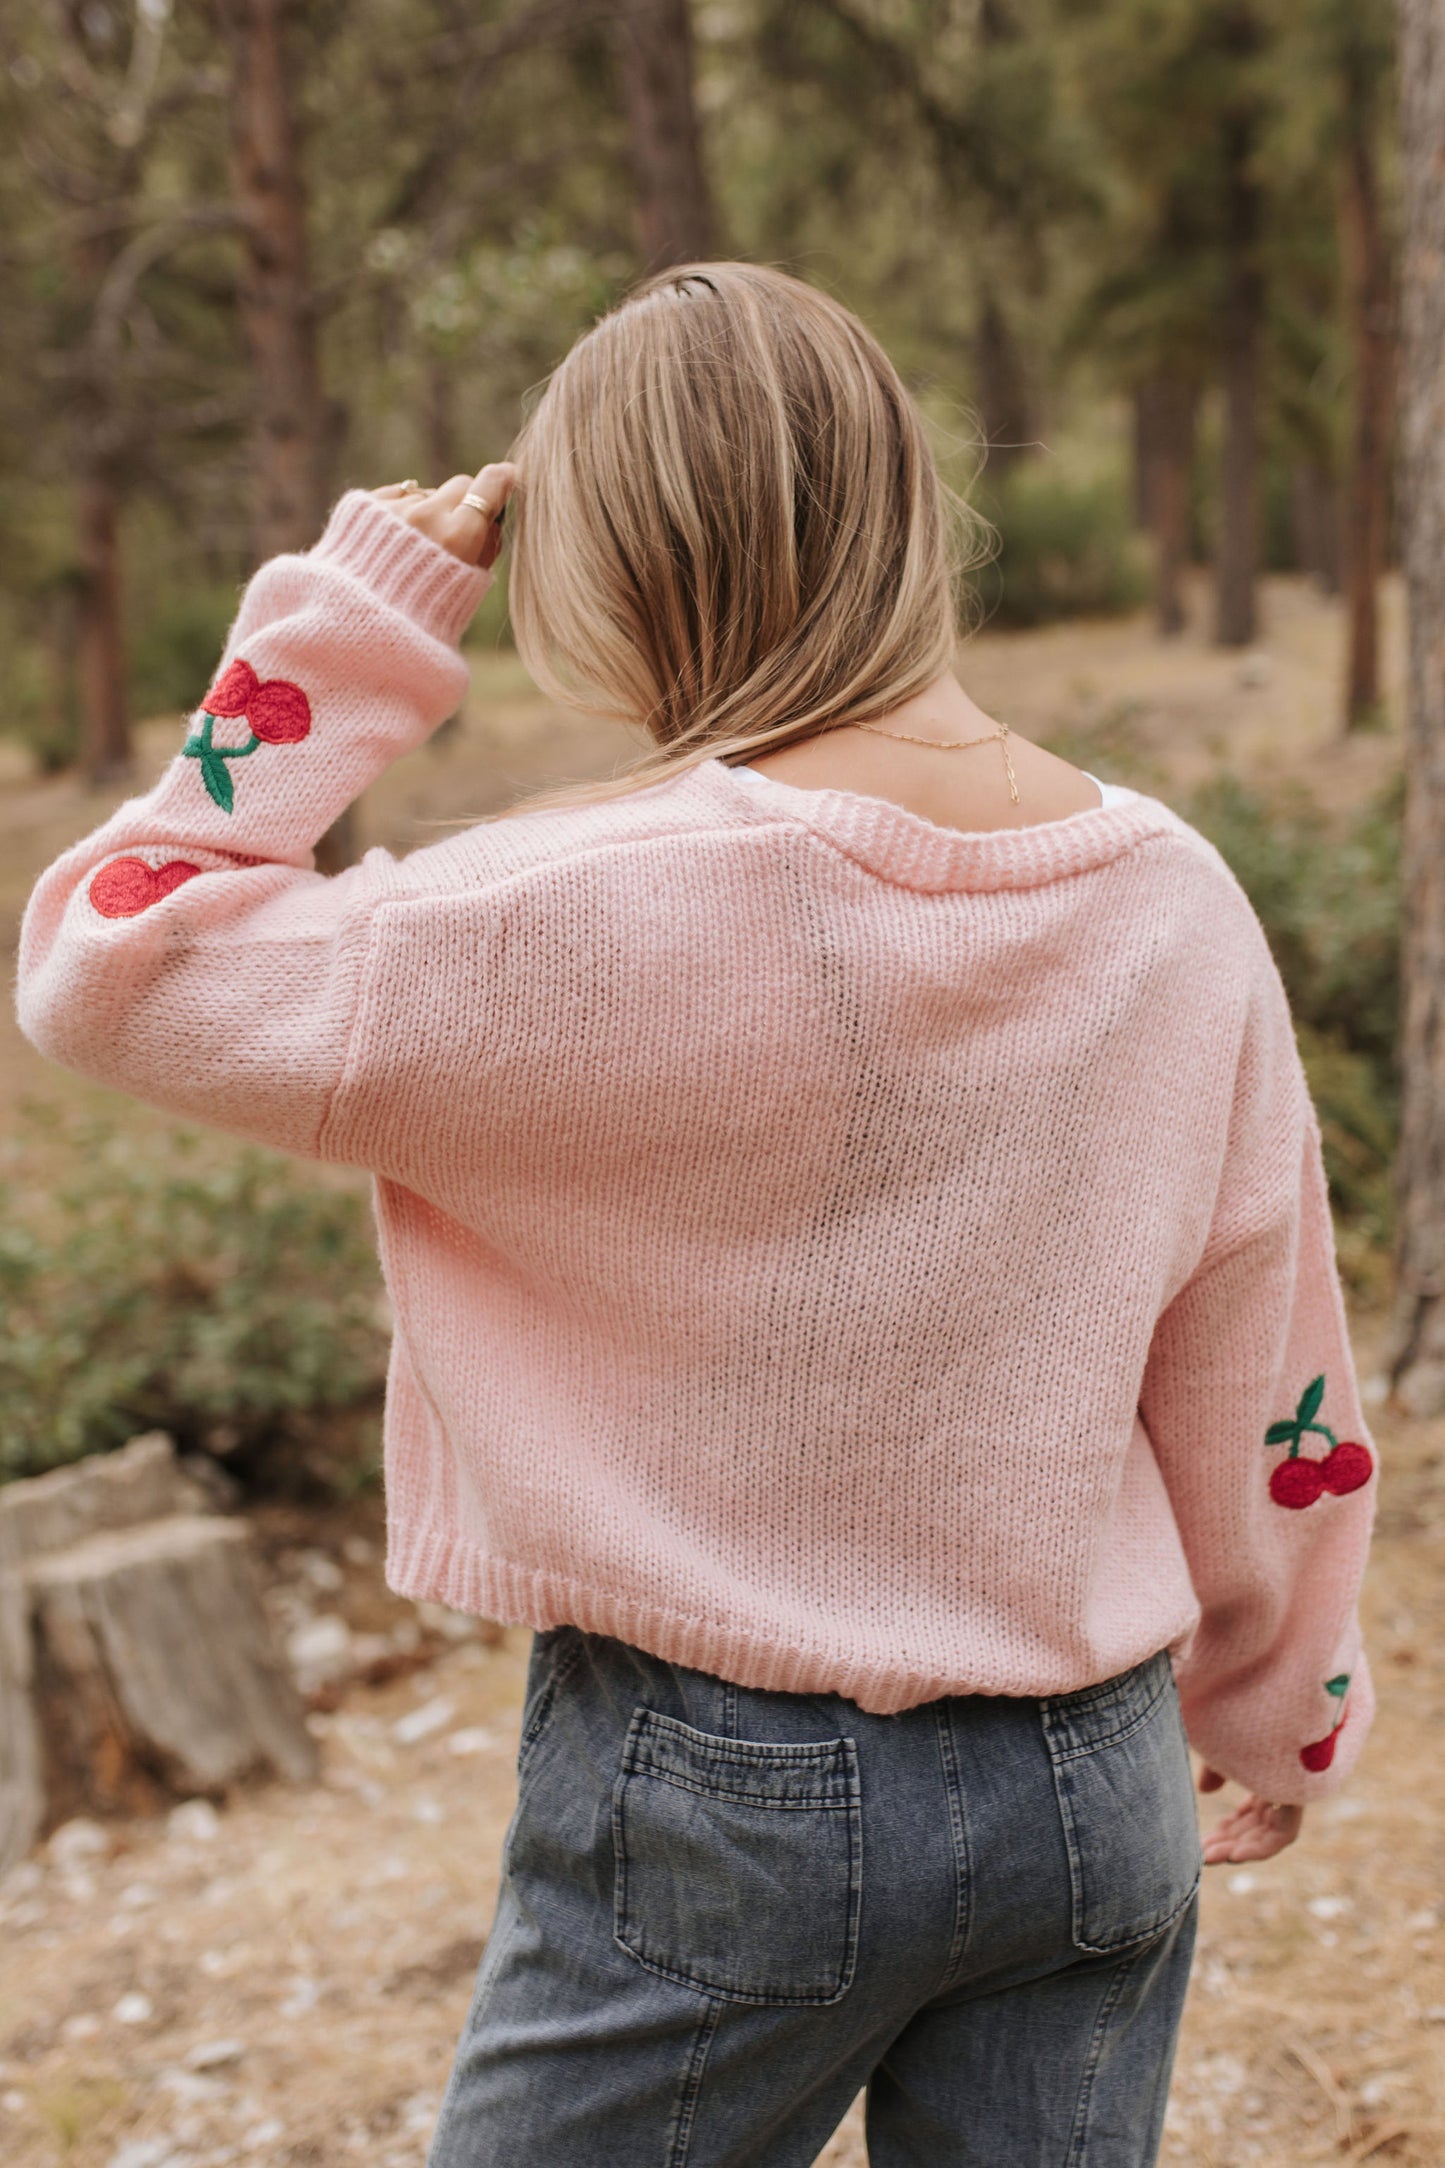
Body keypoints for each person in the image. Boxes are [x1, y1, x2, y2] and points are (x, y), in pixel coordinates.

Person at [17, 262, 1376, 2167]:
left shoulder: (560, 912)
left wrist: (344, 631)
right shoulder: (1169, 894)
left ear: (617, 566)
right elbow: (1268, 1358)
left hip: (730, 1799)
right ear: (910, 506)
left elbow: (109, 961)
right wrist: (1281, 1707)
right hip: (1094, 1784)